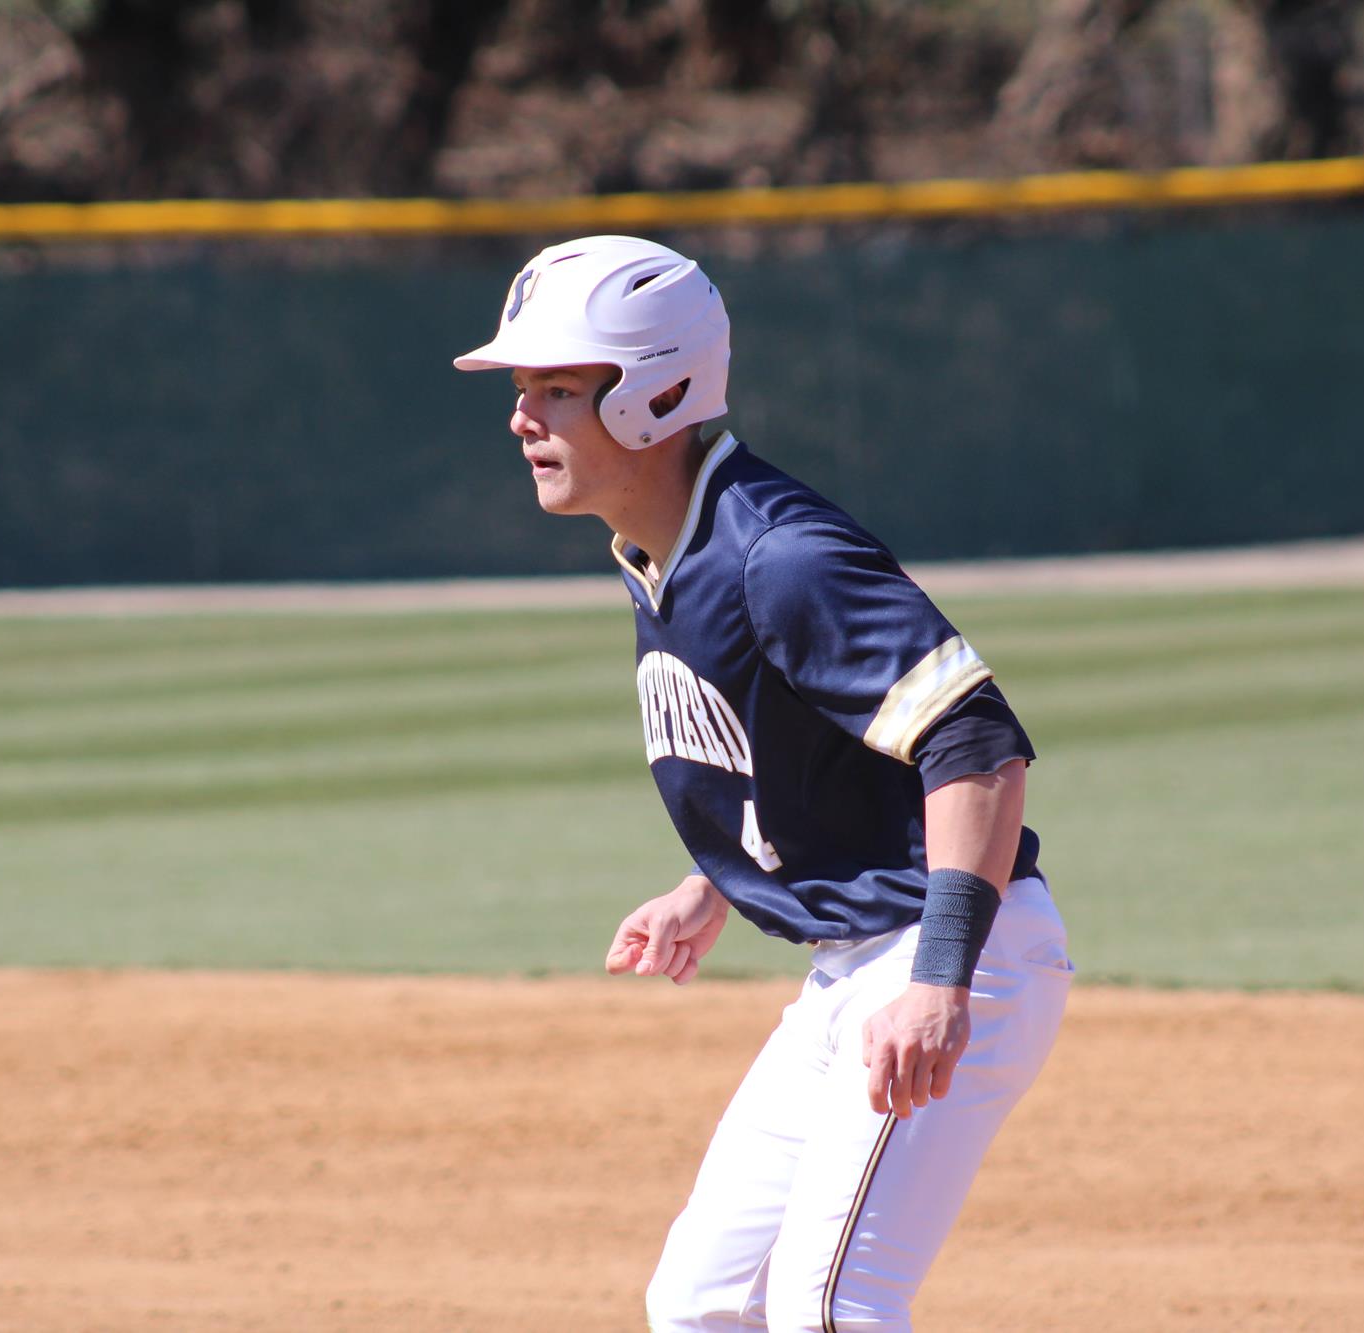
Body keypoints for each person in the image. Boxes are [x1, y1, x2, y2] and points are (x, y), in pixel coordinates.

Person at [454, 235, 1072, 1333]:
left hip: (942, 954)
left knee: (829, 1308)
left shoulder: (777, 555)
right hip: (852, 967)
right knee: (698, 1306)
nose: (520, 417)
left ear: (651, 397)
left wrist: (939, 981)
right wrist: (716, 883)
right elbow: (799, 753)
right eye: (521, 389)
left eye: (555, 387)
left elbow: (974, 744)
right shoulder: (662, 546)